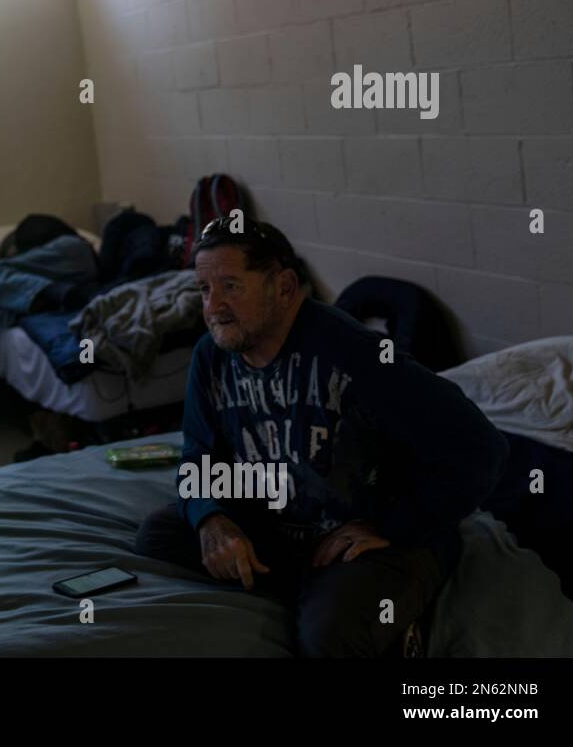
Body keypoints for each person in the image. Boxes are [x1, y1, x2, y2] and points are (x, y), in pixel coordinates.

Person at [133, 216, 508, 657]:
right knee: (159, 534)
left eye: (231, 286)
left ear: (285, 287)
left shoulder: (356, 355)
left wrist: (391, 526)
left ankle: (377, 612)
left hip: (366, 539)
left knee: (329, 638)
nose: (213, 307)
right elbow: (198, 455)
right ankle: (314, 591)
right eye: (204, 290)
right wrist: (211, 518)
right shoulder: (211, 357)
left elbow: (482, 449)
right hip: (285, 528)